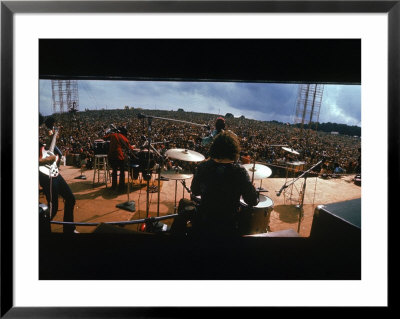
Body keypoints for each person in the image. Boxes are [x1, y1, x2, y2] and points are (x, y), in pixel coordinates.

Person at [191, 130, 259, 238]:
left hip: (204, 223)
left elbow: (195, 191)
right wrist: (252, 189)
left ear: (214, 148)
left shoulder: (202, 167)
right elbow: (252, 201)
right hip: (228, 227)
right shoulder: (240, 172)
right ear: (234, 150)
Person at [39, 113, 77, 234]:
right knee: (52, 209)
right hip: (46, 175)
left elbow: (45, 150)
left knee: (70, 198)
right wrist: (48, 160)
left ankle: (69, 229)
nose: (39, 127)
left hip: (54, 172)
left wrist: (52, 137)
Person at [103, 125, 134, 191]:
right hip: (119, 157)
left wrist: (109, 132)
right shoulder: (123, 137)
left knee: (114, 171)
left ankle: (113, 186)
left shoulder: (113, 135)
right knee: (122, 171)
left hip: (111, 156)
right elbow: (130, 148)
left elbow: (104, 137)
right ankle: (121, 187)